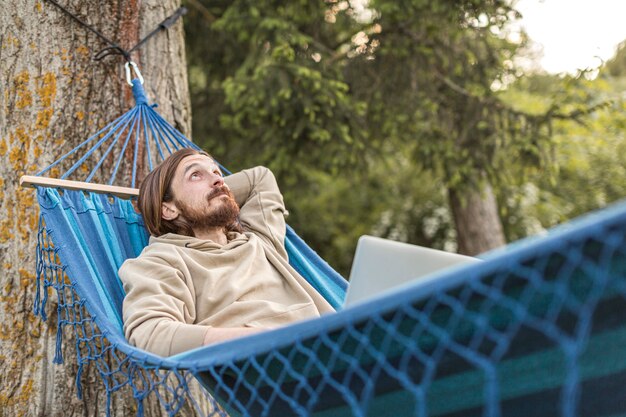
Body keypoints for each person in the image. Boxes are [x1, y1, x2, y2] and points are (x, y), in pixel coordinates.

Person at [118, 149, 335, 357]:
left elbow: (260, 179)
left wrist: (213, 192)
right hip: (276, 367)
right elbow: (149, 332)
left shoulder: (260, 241)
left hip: (337, 344)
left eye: (216, 173)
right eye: (195, 175)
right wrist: (251, 338)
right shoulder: (162, 261)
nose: (218, 180)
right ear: (168, 209)